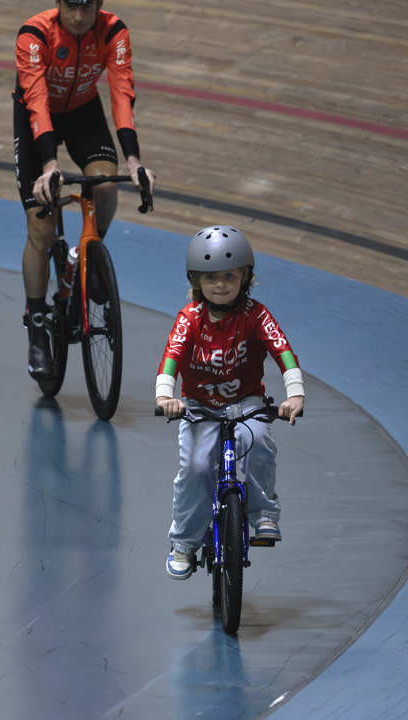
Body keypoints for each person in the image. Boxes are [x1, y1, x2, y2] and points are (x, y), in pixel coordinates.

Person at [15, 0, 156, 382]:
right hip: (36, 117)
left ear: (100, 2)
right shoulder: (34, 34)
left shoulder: (114, 31)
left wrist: (133, 161)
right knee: (41, 228)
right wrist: (49, 165)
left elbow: (121, 95)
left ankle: (87, 255)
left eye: (87, 6)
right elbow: (36, 102)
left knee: (107, 185)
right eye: (70, 5)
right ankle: (38, 325)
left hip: (83, 112)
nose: (78, 16)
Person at [154, 226, 305, 580]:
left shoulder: (256, 314)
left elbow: (282, 350)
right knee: (195, 468)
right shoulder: (190, 318)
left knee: (261, 441)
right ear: (196, 281)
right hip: (199, 407)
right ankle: (184, 544)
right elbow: (172, 355)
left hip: (246, 402)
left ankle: (264, 514)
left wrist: (294, 393)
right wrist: (165, 396)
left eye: (229, 276)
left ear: (245, 277)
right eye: (210, 278)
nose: (220, 284)